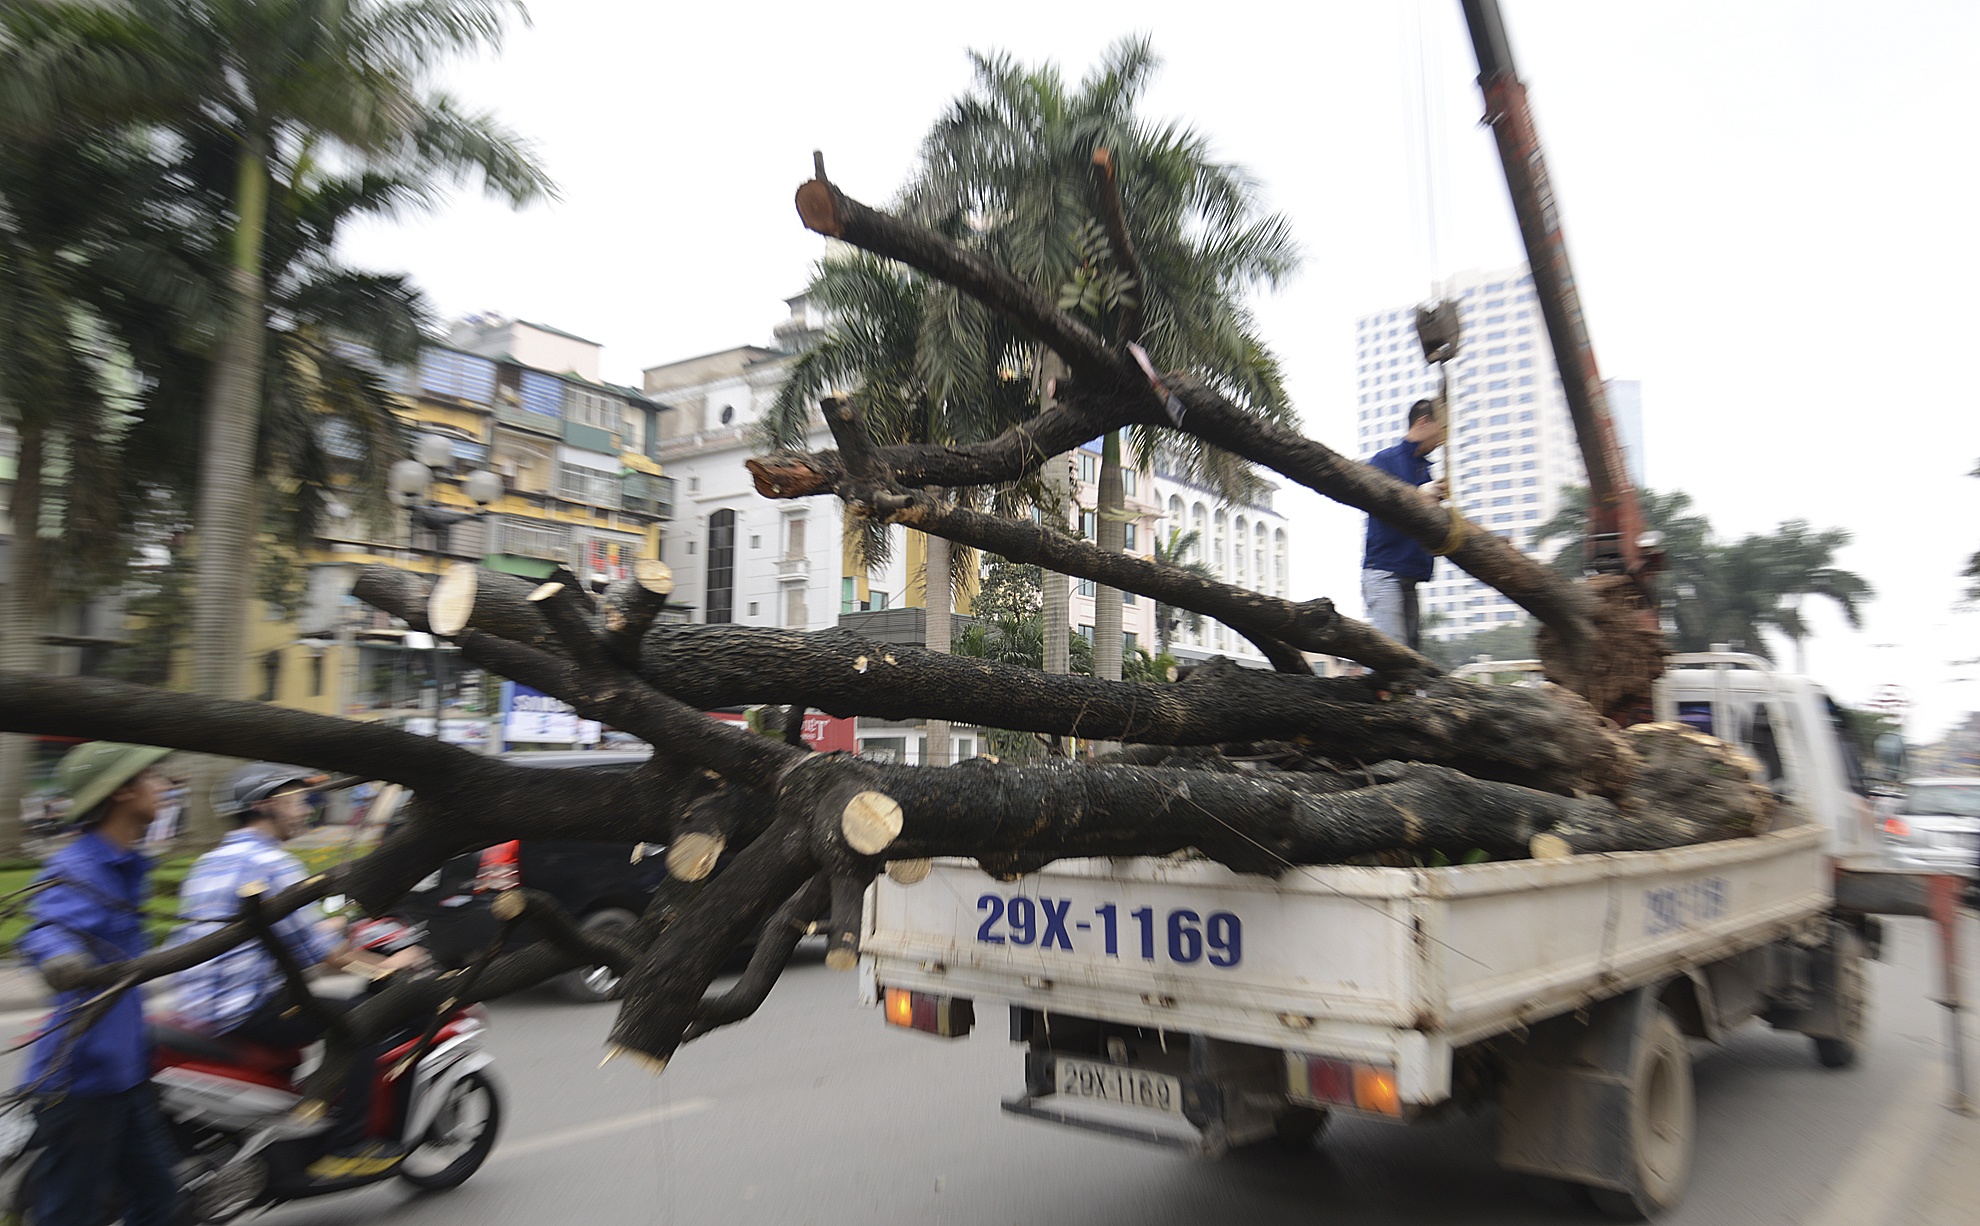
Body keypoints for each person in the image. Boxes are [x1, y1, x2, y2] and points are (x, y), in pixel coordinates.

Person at [169, 763, 424, 1178]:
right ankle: (346, 1146)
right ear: (265, 805)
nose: (306, 807)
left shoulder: (210, 861)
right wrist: (389, 964)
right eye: (297, 799)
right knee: (360, 1021)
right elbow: (324, 954)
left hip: (198, 1003)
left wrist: (326, 927)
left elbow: (272, 931)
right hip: (246, 1006)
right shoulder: (273, 863)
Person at [17, 742, 182, 1226]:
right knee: (69, 1216)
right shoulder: (80, 866)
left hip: (124, 1074)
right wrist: (61, 960)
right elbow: (47, 928)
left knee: (159, 1199)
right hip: (81, 1083)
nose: (166, 786)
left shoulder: (127, 865)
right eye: (154, 777)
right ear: (123, 791)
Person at [1361, 399, 1447, 650]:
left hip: (1409, 574)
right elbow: (1382, 499)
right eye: (1441, 429)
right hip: (1384, 570)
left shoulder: (1426, 471)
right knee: (1392, 652)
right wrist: (1420, 494)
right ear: (1423, 422)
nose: (1442, 440)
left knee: (1410, 653)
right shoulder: (1384, 461)